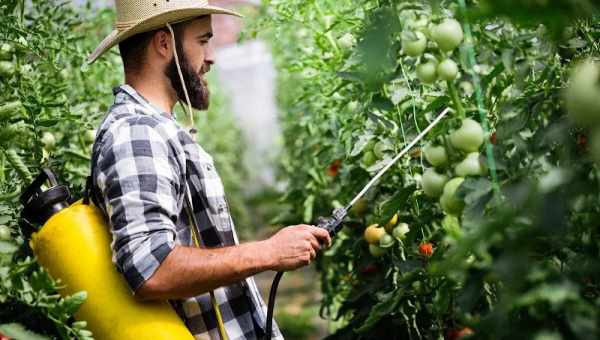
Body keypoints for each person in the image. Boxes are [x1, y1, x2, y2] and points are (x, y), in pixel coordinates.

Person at [87, 1, 331, 339]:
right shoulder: (137, 133)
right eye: (203, 41)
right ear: (164, 43)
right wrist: (268, 252)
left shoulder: (159, 129)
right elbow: (150, 267)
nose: (212, 56)